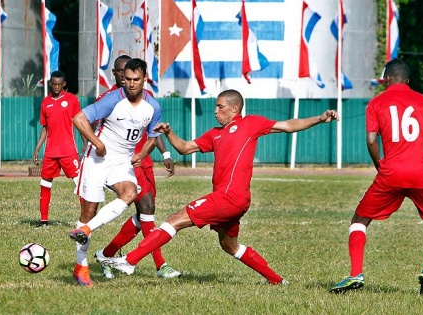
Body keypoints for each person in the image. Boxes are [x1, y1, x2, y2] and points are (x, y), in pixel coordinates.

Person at [103, 89, 339, 285]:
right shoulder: (215, 134)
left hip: (229, 197)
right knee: (229, 245)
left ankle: (130, 261)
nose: (215, 111)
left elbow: (288, 125)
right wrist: (169, 132)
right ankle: (277, 280)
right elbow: (185, 148)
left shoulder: (250, 124)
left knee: (175, 219)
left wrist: (319, 118)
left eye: (220, 107)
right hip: (232, 200)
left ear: (234, 108)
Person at [329, 59, 423, 295]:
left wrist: (380, 166)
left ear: (386, 79)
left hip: (390, 173)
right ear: (407, 80)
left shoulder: (376, 103)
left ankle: (356, 274)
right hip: (421, 175)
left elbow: (372, 140)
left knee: (359, 221)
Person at [69, 58, 163, 288]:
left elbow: (153, 136)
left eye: (135, 80)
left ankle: (87, 230)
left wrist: (142, 154)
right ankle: (80, 266)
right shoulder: (112, 99)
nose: (130, 84)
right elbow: (79, 118)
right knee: (88, 212)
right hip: (97, 159)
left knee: (130, 193)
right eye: (128, 79)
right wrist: (97, 143)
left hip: (121, 161)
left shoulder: (153, 106)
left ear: (144, 79)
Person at [92, 55, 181, 279]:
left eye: (131, 75)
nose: (127, 79)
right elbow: (92, 124)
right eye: (122, 73)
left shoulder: (147, 100)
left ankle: (106, 254)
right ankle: (160, 266)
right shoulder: (110, 99)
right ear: (116, 74)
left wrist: (166, 152)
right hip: (125, 163)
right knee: (147, 209)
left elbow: (154, 130)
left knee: (145, 216)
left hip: (145, 161)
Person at [32, 71, 86, 228]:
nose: (56, 87)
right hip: (50, 153)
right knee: (45, 184)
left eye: (59, 84)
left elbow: (80, 122)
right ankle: (44, 221)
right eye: (53, 84)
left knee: (80, 184)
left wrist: (84, 142)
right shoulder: (45, 102)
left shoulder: (72, 100)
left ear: (64, 84)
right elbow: (45, 127)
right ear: (50, 84)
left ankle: (86, 220)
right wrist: (37, 148)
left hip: (69, 151)